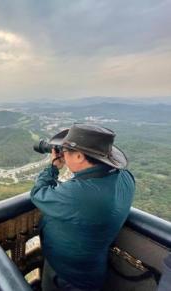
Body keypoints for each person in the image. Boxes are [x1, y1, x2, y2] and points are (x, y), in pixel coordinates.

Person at [30, 123, 135, 291]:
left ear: (79, 156)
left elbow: (38, 193)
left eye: (65, 151)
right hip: (93, 270)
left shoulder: (78, 194)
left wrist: (53, 167)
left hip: (66, 276)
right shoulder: (125, 177)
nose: (62, 154)